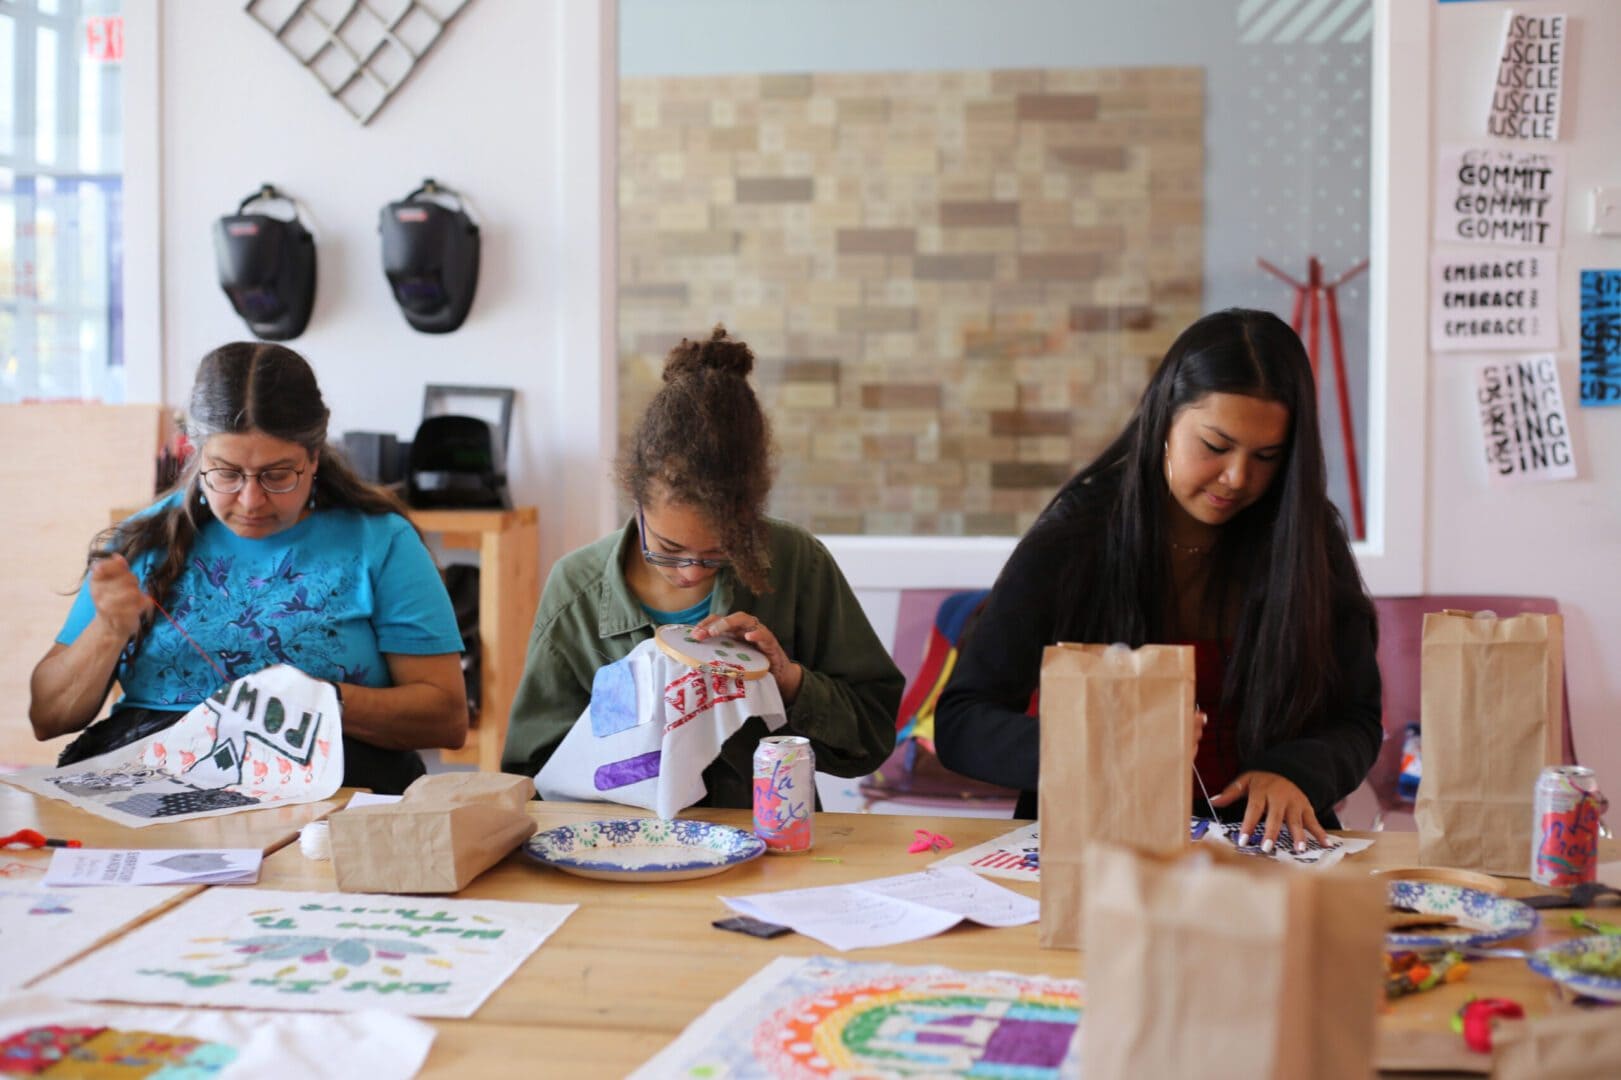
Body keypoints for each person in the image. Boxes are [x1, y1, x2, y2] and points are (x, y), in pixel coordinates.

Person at [935, 308, 1381, 850]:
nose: (1238, 478)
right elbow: (962, 722)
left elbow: (1357, 717)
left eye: (1267, 457)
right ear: (1164, 420)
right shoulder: (1079, 534)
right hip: (1102, 847)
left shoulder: (1307, 540)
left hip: (1267, 849)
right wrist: (1097, 745)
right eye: (1215, 446)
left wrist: (1297, 771)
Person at [28, 342, 467, 794]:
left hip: (327, 792)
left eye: (278, 475)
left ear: (313, 457)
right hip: (154, 789)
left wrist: (313, 700)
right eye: (227, 473)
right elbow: (48, 717)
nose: (251, 500)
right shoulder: (141, 543)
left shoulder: (380, 542)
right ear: (196, 455)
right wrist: (106, 630)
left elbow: (446, 718)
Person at [503, 326, 901, 807]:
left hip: (769, 853)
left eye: (719, 552)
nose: (691, 572)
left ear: (749, 512)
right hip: (621, 855)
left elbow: (872, 738)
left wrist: (789, 680)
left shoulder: (796, 564)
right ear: (636, 501)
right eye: (667, 548)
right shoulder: (577, 594)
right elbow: (534, 773)